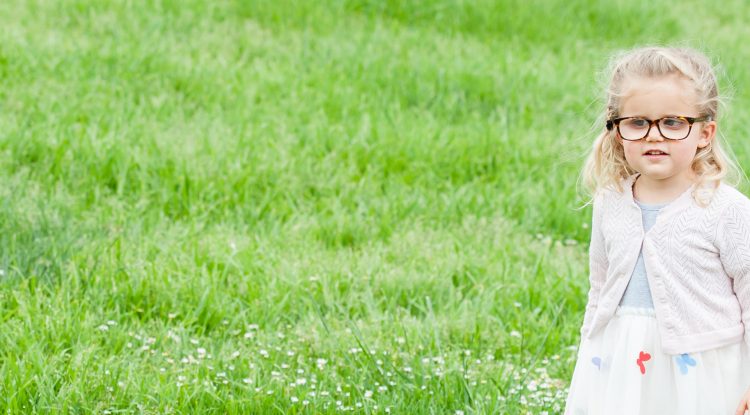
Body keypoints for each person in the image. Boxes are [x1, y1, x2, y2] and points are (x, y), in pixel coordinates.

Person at [565, 45, 750, 414]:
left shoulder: (727, 210)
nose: (654, 135)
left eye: (673, 122)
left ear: (704, 132)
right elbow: (600, 286)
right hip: (620, 359)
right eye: (637, 122)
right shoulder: (611, 202)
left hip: (700, 370)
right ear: (617, 131)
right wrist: (591, 351)